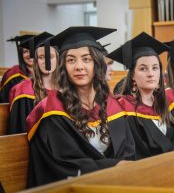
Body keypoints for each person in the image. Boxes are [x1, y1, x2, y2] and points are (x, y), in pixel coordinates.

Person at [26, 26, 135, 187]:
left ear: (97, 63)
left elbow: (127, 151)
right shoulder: (53, 110)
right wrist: (114, 167)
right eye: (71, 60)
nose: (79, 66)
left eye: (86, 59)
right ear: (63, 67)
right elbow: (66, 162)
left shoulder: (111, 105)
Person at [107, 32, 174, 160]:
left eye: (155, 68)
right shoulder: (124, 108)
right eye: (143, 69)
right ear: (132, 75)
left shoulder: (164, 105)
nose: (151, 74)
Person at [8, 32, 58, 134]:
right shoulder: (24, 91)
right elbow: (20, 132)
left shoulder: (67, 88)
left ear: (58, 59)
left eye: (51, 56)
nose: (46, 61)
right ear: (35, 61)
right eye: (41, 57)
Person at [0, 34, 35, 103]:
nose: (30, 54)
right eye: (25, 51)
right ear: (21, 54)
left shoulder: (45, 74)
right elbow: (3, 101)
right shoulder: (12, 75)